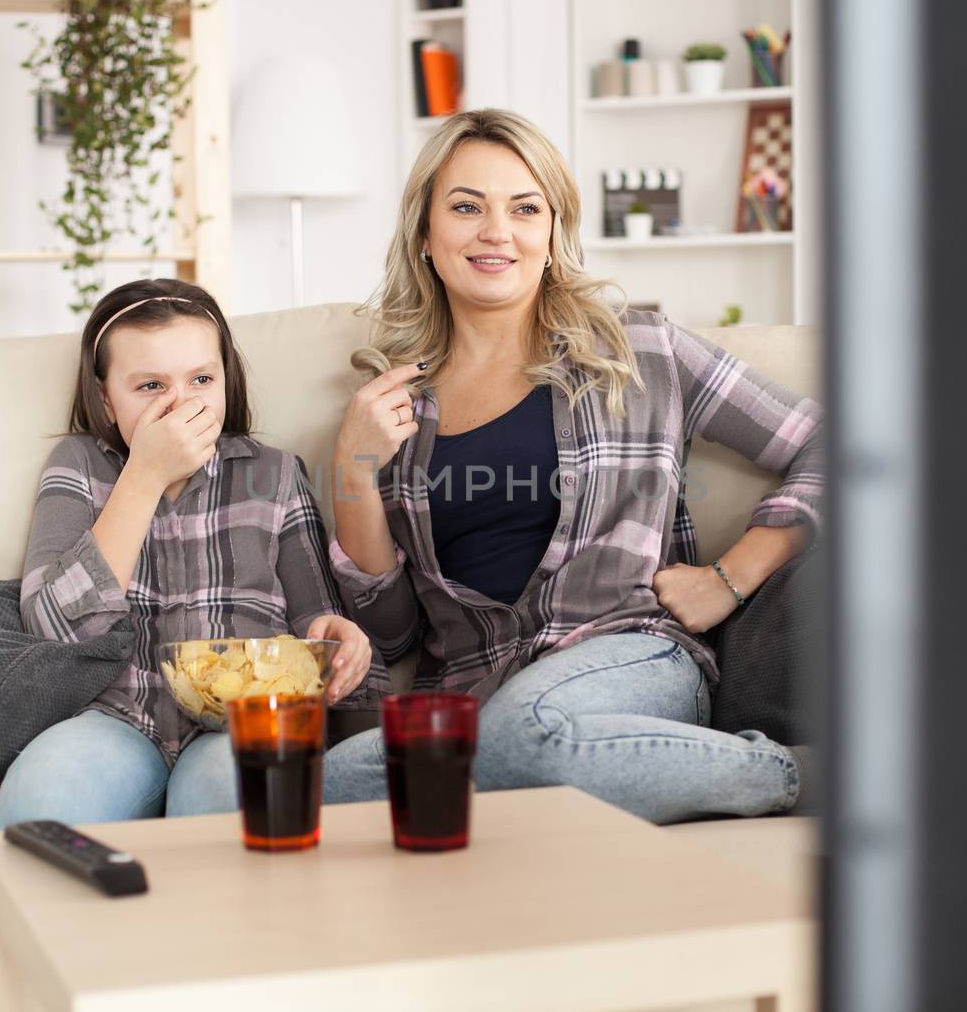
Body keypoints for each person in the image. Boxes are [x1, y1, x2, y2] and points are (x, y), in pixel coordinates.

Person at [323, 110, 825, 824]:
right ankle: (593, 775)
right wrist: (353, 466)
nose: (497, 230)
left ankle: (788, 774)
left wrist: (730, 575)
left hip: (630, 657)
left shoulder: (641, 351)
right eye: (467, 206)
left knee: (524, 738)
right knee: (326, 790)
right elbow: (394, 631)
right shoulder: (394, 401)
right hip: (475, 695)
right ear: (426, 237)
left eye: (524, 208)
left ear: (552, 236)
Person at [0, 278, 387, 830]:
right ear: (106, 398)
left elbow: (313, 626)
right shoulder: (78, 465)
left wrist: (335, 638)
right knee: (41, 803)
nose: (181, 403)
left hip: (242, 721)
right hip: (116, 717)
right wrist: (144, 475)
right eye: (151, 385)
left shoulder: (274, 473)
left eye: (202, 379)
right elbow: (55, 630)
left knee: (233, 798)